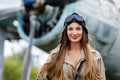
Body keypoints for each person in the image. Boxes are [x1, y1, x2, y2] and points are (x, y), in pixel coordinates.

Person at [36, 13, 106, 80]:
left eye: (78, 29)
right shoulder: (55, 55)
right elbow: (41, 77)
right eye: (70, 29)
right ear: (66, 32)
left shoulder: (95, 57)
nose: (74, 33)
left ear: (83, 31)